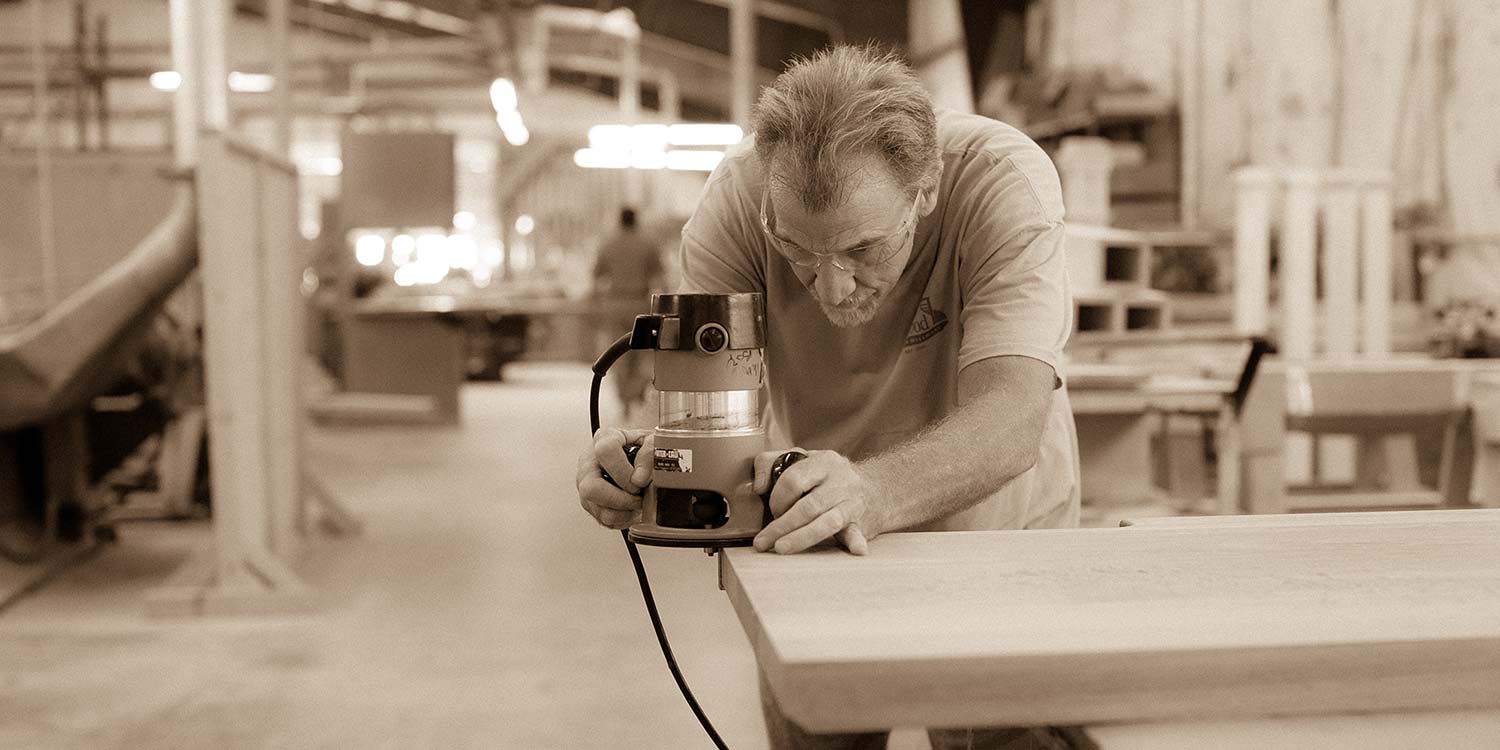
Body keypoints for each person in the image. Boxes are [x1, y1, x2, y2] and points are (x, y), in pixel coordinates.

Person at [576, 44, 1079, 750]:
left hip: (995, 530)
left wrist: (871, 493)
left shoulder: (1001, 180)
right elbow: (711, 421)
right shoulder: (738, 203)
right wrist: (654, 467)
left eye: (864, 251)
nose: (832, 287)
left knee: (1001, 737)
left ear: (926, 188)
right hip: (818, 530)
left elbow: (1013, 418)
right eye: (798, 251)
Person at [590, 206, 664, 417]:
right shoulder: (648, 243)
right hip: (640, 302)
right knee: (642, 353)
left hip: (615, 304)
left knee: (618, 353)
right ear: (636, 220)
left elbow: (597, 277)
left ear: (619, 220)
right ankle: (637, 393)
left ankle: (624, 399)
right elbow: (660, 277)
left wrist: (596, 305)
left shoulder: (608, 244)